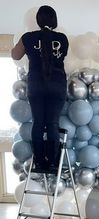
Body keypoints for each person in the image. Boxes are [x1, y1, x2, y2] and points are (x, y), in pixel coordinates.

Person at [11, 5, 69, 172]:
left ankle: (40, 163)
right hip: (57, 85)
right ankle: (52, 163)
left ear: (38, 20)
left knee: (38, 123)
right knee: (52, 123)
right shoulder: (63, 39)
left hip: (36, 85)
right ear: (54, 20)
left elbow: (15, 55)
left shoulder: (28, 37)